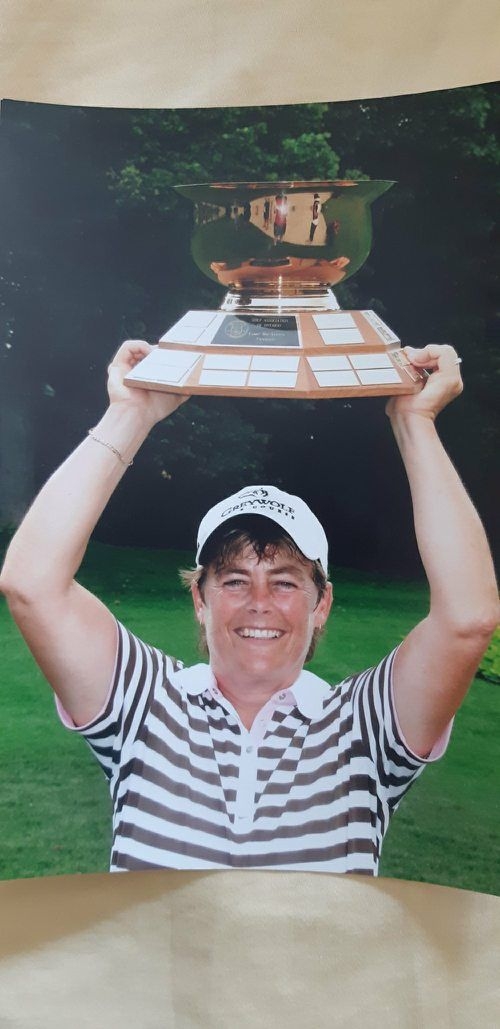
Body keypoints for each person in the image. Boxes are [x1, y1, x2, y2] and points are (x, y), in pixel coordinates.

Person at [1, 341, 498, 874]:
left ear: (321, 604)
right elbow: (33, 583)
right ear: (199, 599)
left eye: (284, 582)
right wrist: (131, 412)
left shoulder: (363, 726)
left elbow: (466, 619)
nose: (259, 604)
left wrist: (415, 421)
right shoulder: (142, 703)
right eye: (235, 580)